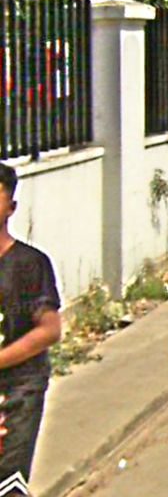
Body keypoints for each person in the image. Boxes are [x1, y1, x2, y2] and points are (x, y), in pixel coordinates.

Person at [0, 163, 62, 496]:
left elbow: (49, 330)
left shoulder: (29, 264)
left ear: (11, 207)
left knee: (7, 483)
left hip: (18, 390)